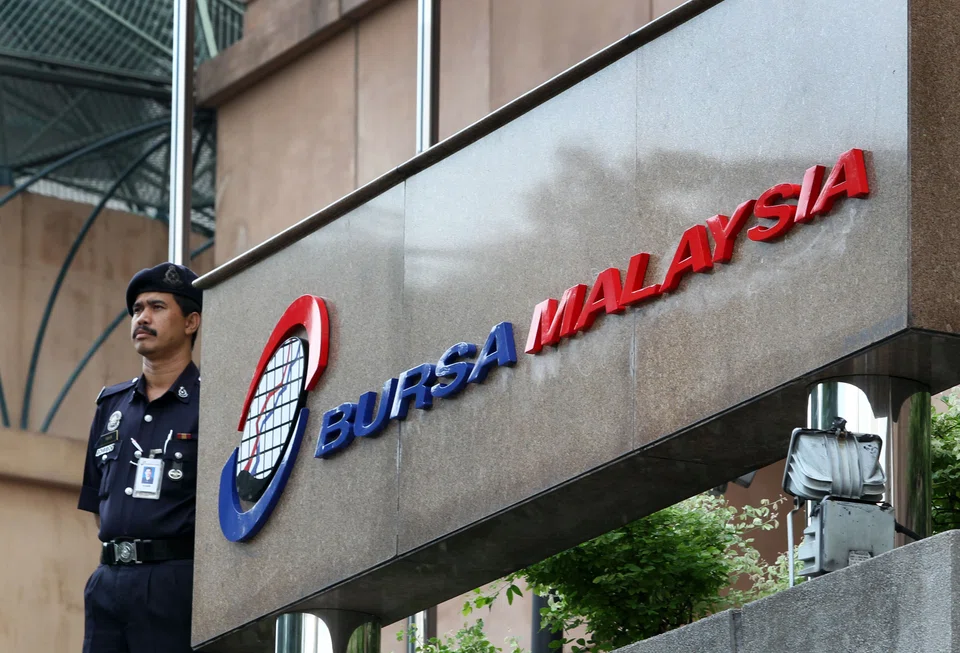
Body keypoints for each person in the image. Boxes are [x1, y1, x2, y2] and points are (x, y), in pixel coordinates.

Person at [78, 262, 202, 653]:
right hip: (107, 582)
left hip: (173, 584)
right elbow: (98, 500)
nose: (142, 318)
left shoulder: (211, 402)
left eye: (157, 308)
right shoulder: (111, 406)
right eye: (136, 310)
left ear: (190, 322)